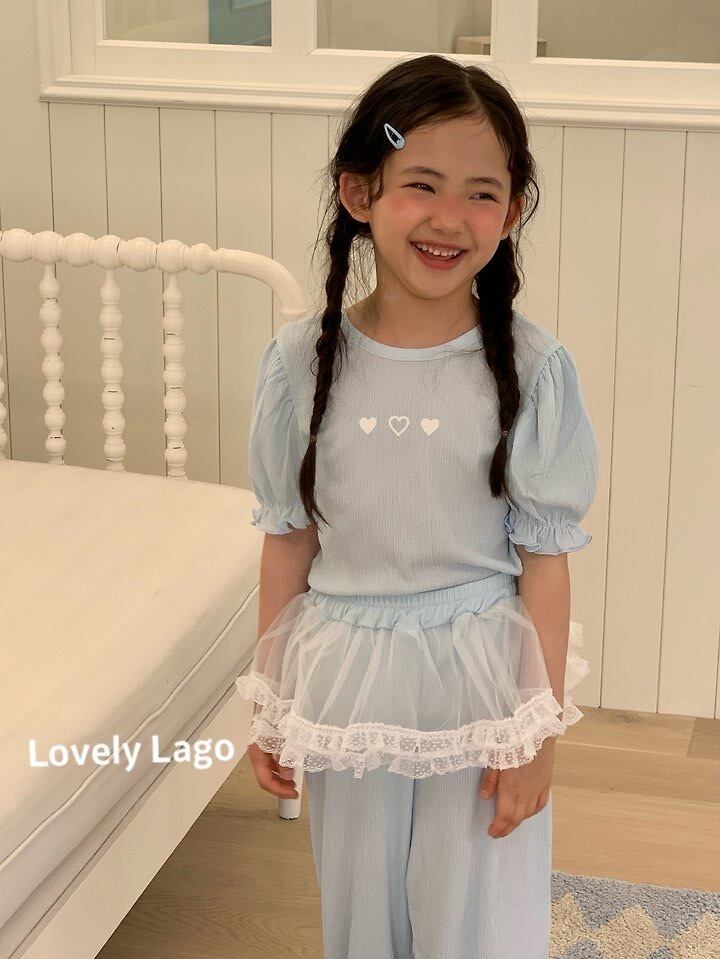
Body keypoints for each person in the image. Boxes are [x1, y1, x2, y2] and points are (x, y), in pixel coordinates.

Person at [235, 53, 599, 959]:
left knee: (476, 911)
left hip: (480, 682)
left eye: (482, 193)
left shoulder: (534, 370)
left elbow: (545, 558)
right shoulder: (297, 365)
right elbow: (289, 540)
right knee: (361, 908)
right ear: (359, 191)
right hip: (349, 681)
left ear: (511, 213)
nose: (449, 217)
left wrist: (537, 733)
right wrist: (273, 702)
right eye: (421, 184)